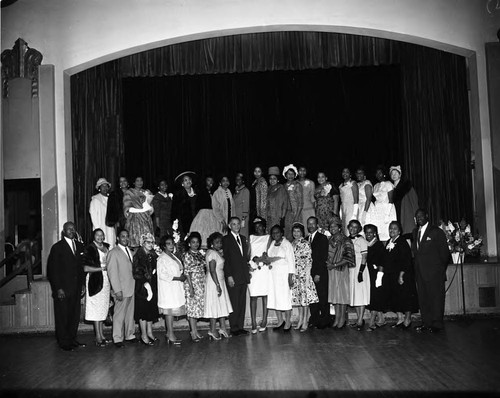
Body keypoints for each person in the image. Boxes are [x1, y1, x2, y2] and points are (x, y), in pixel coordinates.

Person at [47, 221, 86, 351]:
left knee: (74, 315)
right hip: (63, 289)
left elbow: (81, 268)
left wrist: (82, 285)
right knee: (62, 316)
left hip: (76, 288)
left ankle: (72, 339)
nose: (71, 231)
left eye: (73, 229)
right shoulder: (57, 247)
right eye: (69, 229)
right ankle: (63, 342)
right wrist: (58, 288)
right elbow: (52, 270)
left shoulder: (80, 246)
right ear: (64, 231)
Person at [411, 209, 450, 333]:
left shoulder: (436, 232)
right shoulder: (415, 231)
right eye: (417, 217)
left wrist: (438, 271)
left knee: (436, 299)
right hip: (420, 273)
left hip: (434, 274)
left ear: (427, 216)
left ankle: (437, 324)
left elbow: (445, 254)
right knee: (423, 299)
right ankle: (426, 322)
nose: (419, 218)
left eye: (421, 216)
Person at [384, 221, 419, 330]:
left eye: (394, 228)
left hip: (403, 275)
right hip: (392, 275)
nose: (392, 230)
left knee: (406, 297)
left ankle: (407, 320)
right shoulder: (389, 242)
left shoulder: (402, 242)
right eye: (390, 228)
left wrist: (401, 275)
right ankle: (399, 319)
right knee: (396, 297)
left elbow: (406, 260)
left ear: (399, 231)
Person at [107, 229, 137, 348]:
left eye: (127, 236)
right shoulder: (113, 252)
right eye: (123, 236)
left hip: (131, 287)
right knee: (119, 314)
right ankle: (117, 338)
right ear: (118, 238)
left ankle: (129, 335)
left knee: (130, 314)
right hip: (121, 289)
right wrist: (117, 290)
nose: (125, 238)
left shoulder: (129, 251)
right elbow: (112, 273)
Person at [222, 217, 251, 336]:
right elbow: (226, 259)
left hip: (243, 275)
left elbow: (244, 258)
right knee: (234, 302)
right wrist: (229, 276)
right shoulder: (226, 239)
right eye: (234, 224)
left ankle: (240, 326)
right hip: (233, 275)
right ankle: (234, 328)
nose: (236, 226)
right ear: (229, 226)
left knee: (242, 302)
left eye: (238, 224)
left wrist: (247, 271)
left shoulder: (243, 239)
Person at [82, 228, 111, 347]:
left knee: (102, 308)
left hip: (106, 280)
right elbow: (85, 268)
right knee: (95, 308)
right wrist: (102, 269)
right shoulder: (90, 248)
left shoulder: (106, 247)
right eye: (97, 235)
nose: (100, 237)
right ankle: (98, 336)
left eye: (102, 235)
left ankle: (102, 334)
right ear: (94, 236)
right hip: (95, 280)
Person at [326, 215, 355, 330]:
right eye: (330, 226)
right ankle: (337, 318)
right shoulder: (329, 240)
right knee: (335, 296)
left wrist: (334, 265)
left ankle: (342, 319)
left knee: (342, 296)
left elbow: (349, 258)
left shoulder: (346, 240)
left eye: (335, 226)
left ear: (339, 227)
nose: (332, 228)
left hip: (341, 270)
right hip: (331, 271)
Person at [157, 234, 187, 345]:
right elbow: (162, 275)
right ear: (164, 246)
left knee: (171, 312)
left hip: (175, 288)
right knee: (168, 312)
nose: (171, 245)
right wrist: (178, 278)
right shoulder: (161, 258)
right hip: (168, 288)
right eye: (168, 244)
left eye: (172, 243)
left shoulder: (173, 256)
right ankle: (170, 334)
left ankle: (170, 333)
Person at [204, 232, 233, 340]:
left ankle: (223, 328)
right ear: (211, 243)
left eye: (220, 242)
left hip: (220, 280)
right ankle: (212, 330)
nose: (219, 244)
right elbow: (212, 271)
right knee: (214, 306)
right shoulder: (211, 253)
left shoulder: (216, 253)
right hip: (214, 282)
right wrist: (217, 285)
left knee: (221, 304)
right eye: (216, 242)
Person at [267, 224, 295, 332]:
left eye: (277, 232)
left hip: (284, 276)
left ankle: (288, 322)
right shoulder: (272, 244)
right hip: (273, 276)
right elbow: (269, 258)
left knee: (285, 299)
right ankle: (280, 321)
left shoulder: (287, 244)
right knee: (276, 299)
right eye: (273, 233)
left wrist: (290, 276)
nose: (275, 235)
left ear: (281, 233)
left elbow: (291, 261)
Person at [291, 223, 318, 332]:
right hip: (295, 275)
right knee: (299, 301)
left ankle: (305, 321)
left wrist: (307, 277)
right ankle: (300, 320)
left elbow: (309, 261)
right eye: (294, 231)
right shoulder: (292, 243)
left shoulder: (305, 243)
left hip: (304, 275)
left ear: (302, 232)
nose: (296, 233)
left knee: (305, 301)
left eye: (298, 231)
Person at [133, 232, 159, 345]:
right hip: (142, 287)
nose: (151, 244)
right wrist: (146, 283)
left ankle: (150, 332)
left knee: (150, 310)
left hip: (152, 284)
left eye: (152, 242)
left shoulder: (153, 255)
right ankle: (143, 335)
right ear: (143, 243)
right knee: (143, 311)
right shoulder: (138, 255)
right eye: (148, 242)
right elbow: (137, 273)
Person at [307, 216, 331, 329]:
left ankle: (325, 320)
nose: (311, 226)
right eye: (309, 224)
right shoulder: (307, 239)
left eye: (313, 224)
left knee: (322, 297)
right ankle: (314, 319)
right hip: (309, 273)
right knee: (312, 298)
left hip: (319, 273)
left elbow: (323, 257)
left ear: (317, 225)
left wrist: (318, 274)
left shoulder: (322, 238)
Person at [182, 231, 206, 342]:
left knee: (197, 308)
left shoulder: (200, 254)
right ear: (189, 243)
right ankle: (193, 331)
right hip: (192, 283)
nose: (195, 244)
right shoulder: (188, 255)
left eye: (197, 242)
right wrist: (191, 288)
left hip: (200, 283)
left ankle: (195, 330)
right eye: (193, 242)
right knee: (192, 308)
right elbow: (187, 272)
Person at [248, 217, 271, 333]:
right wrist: (252, 262)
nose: (258, 228)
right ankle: (253, 322)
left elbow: (268, 254)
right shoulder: (251, 237)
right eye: (256, 226)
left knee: (265, 296)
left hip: (264, 270)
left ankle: (264, 320)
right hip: (253, 270)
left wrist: (260, 259)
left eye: (260, 226)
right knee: (253, 296)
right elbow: (248, 254)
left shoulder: (268, 237)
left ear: (264, 226)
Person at [347, 220, 370, 331]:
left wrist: (360, 272)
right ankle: (358, 319)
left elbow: (364, 258)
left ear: (359, 229)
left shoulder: (362, 241)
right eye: (351, 227)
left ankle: (360, 320)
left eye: (355, 227)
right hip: (351, 270)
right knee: (355, 295)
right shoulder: (347, 240)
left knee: (360, 294)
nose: (353, 229)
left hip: (360, 270)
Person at [363, 224, 387, 331]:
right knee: (373, 296)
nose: (368, 234)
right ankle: (381, 320)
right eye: (366, 232)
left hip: (377, 275)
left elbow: (382, 261)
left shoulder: (378, 245)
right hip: (369, 274)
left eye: (370, 232)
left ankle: (372, 322)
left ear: (375, 233)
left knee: (375, 298)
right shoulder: (366, 244)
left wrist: (379, 277)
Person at [189, 175, 220, 248]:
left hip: (213, 213)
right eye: (209, 180)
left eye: (212, 180)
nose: (210, 182)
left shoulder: (214, 192)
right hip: (203, 213)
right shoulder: (201, 191)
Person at [123, 176, 154, 248]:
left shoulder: (147, 192)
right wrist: (141, 209)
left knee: (147, 241)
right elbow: (127, 207)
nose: (139, 182)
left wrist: (148, 205)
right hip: (134, 220)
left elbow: (151, 207)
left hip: (146, 219)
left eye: (141, 180)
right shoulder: (129, 192)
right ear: (134, 182)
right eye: (137, 181)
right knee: (136, 240)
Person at [367, 166, 396, 242]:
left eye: (380, 173)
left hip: (387, 210)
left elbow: (391, 200)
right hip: (378, 212)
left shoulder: (388, 184)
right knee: (380, 232)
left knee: (387, 232)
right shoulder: (375, 186)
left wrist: (387, 215)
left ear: (384, 174)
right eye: (377, 173)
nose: (378, 175)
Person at [390, 165, 419, 237]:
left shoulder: (407, 186)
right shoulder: (390, 187)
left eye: (396, 173)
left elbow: (414, 201)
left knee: (407, 235)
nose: (394, 175)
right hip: (396, 215)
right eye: (392, 174)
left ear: (400, 174)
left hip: (407, 215)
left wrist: (416, 215)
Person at [89, 177, 116, 248]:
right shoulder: (95, 200)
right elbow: (93, 216)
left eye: (106, 186)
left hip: (110, 228)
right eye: (102, 186)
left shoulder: (111, 199)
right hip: (101, 227)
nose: (105, 188)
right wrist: (98, 230)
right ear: (99, 188)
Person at [172, 171, 197, 239]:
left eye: (189, 179)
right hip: (183, 223)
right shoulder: (178, 195)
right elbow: (175, 210)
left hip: (196, 221)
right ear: (182, 184)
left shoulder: (197, 193)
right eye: (185, 180)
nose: (188, 181)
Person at [283, 164, 303, 241]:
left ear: (295, 175)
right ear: (285, 175)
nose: (290, 176)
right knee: (288, 233)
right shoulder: (283, 186)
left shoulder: (297, 185)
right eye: (288, 174)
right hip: (287, 214)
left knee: (296, 233)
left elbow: (300, 203)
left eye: (292, 174)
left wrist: (296, 216)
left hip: (296, 213)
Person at [266, 166, 288, 233]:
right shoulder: (269, 188)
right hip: (269, 217)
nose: (272, 180)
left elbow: (285, 204)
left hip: (278, 217)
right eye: (270, 178)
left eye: (274, 178)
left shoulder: (281, 188)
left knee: (277, 233)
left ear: (278, 179)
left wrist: (282, 218)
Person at [339, 168, 359, 235]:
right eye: (343, 172)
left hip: (351, 208)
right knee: (344, 229)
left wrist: (355, 214)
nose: (345, 173)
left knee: (350, 229)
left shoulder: (353, 183)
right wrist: (341, 211)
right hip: (344, 209)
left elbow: (356, 199)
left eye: (347, 172)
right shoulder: (341, 185)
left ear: (350, 174)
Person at [234, 173, 250, 238]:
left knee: (243, 234)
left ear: (243, 180)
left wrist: (243, 219)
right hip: (236, 216)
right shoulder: (236, 190)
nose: (238, 181)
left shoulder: (245, 190)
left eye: (240, 179)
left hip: (242, 217)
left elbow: (246, 205)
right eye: (237, 179)